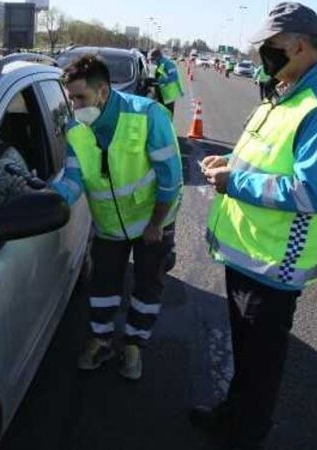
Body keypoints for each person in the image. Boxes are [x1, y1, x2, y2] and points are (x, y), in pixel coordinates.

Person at [194, 3, 317, 450]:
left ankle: (245, 435)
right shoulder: (283, 95)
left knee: (260, 369)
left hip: (274, 266)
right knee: (246, 360)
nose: (262, 55)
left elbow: (309, 193)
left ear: (300, 47)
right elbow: (266, 160)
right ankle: (232, 416)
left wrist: (235, 181)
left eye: (271, 47)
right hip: (248, 255)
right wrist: (229, 163)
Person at [52, 54, 183, 381]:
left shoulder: (148, 115)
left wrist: (156, 224)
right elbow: (72, 179)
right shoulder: (77, 131)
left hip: (153, 222)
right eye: (71, 98)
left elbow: (171, 178)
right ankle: (101, 341)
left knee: (147, 285)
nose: (74, 105)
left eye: (80, 97)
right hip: (110, 225)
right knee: (104, 285)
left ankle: (135, 346)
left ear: (103, 91)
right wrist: (47, 197)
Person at [148, 48, 184, 116]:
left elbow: (174, 77)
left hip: (169, 94)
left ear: (158, 57)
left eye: (153, 59)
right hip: (162, 93)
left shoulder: (168, 64)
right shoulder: (160, 64)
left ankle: (168, 126)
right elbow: (159, 75)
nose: (152, 61)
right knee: (161, 113)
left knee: (168, 114)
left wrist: (160, 80)